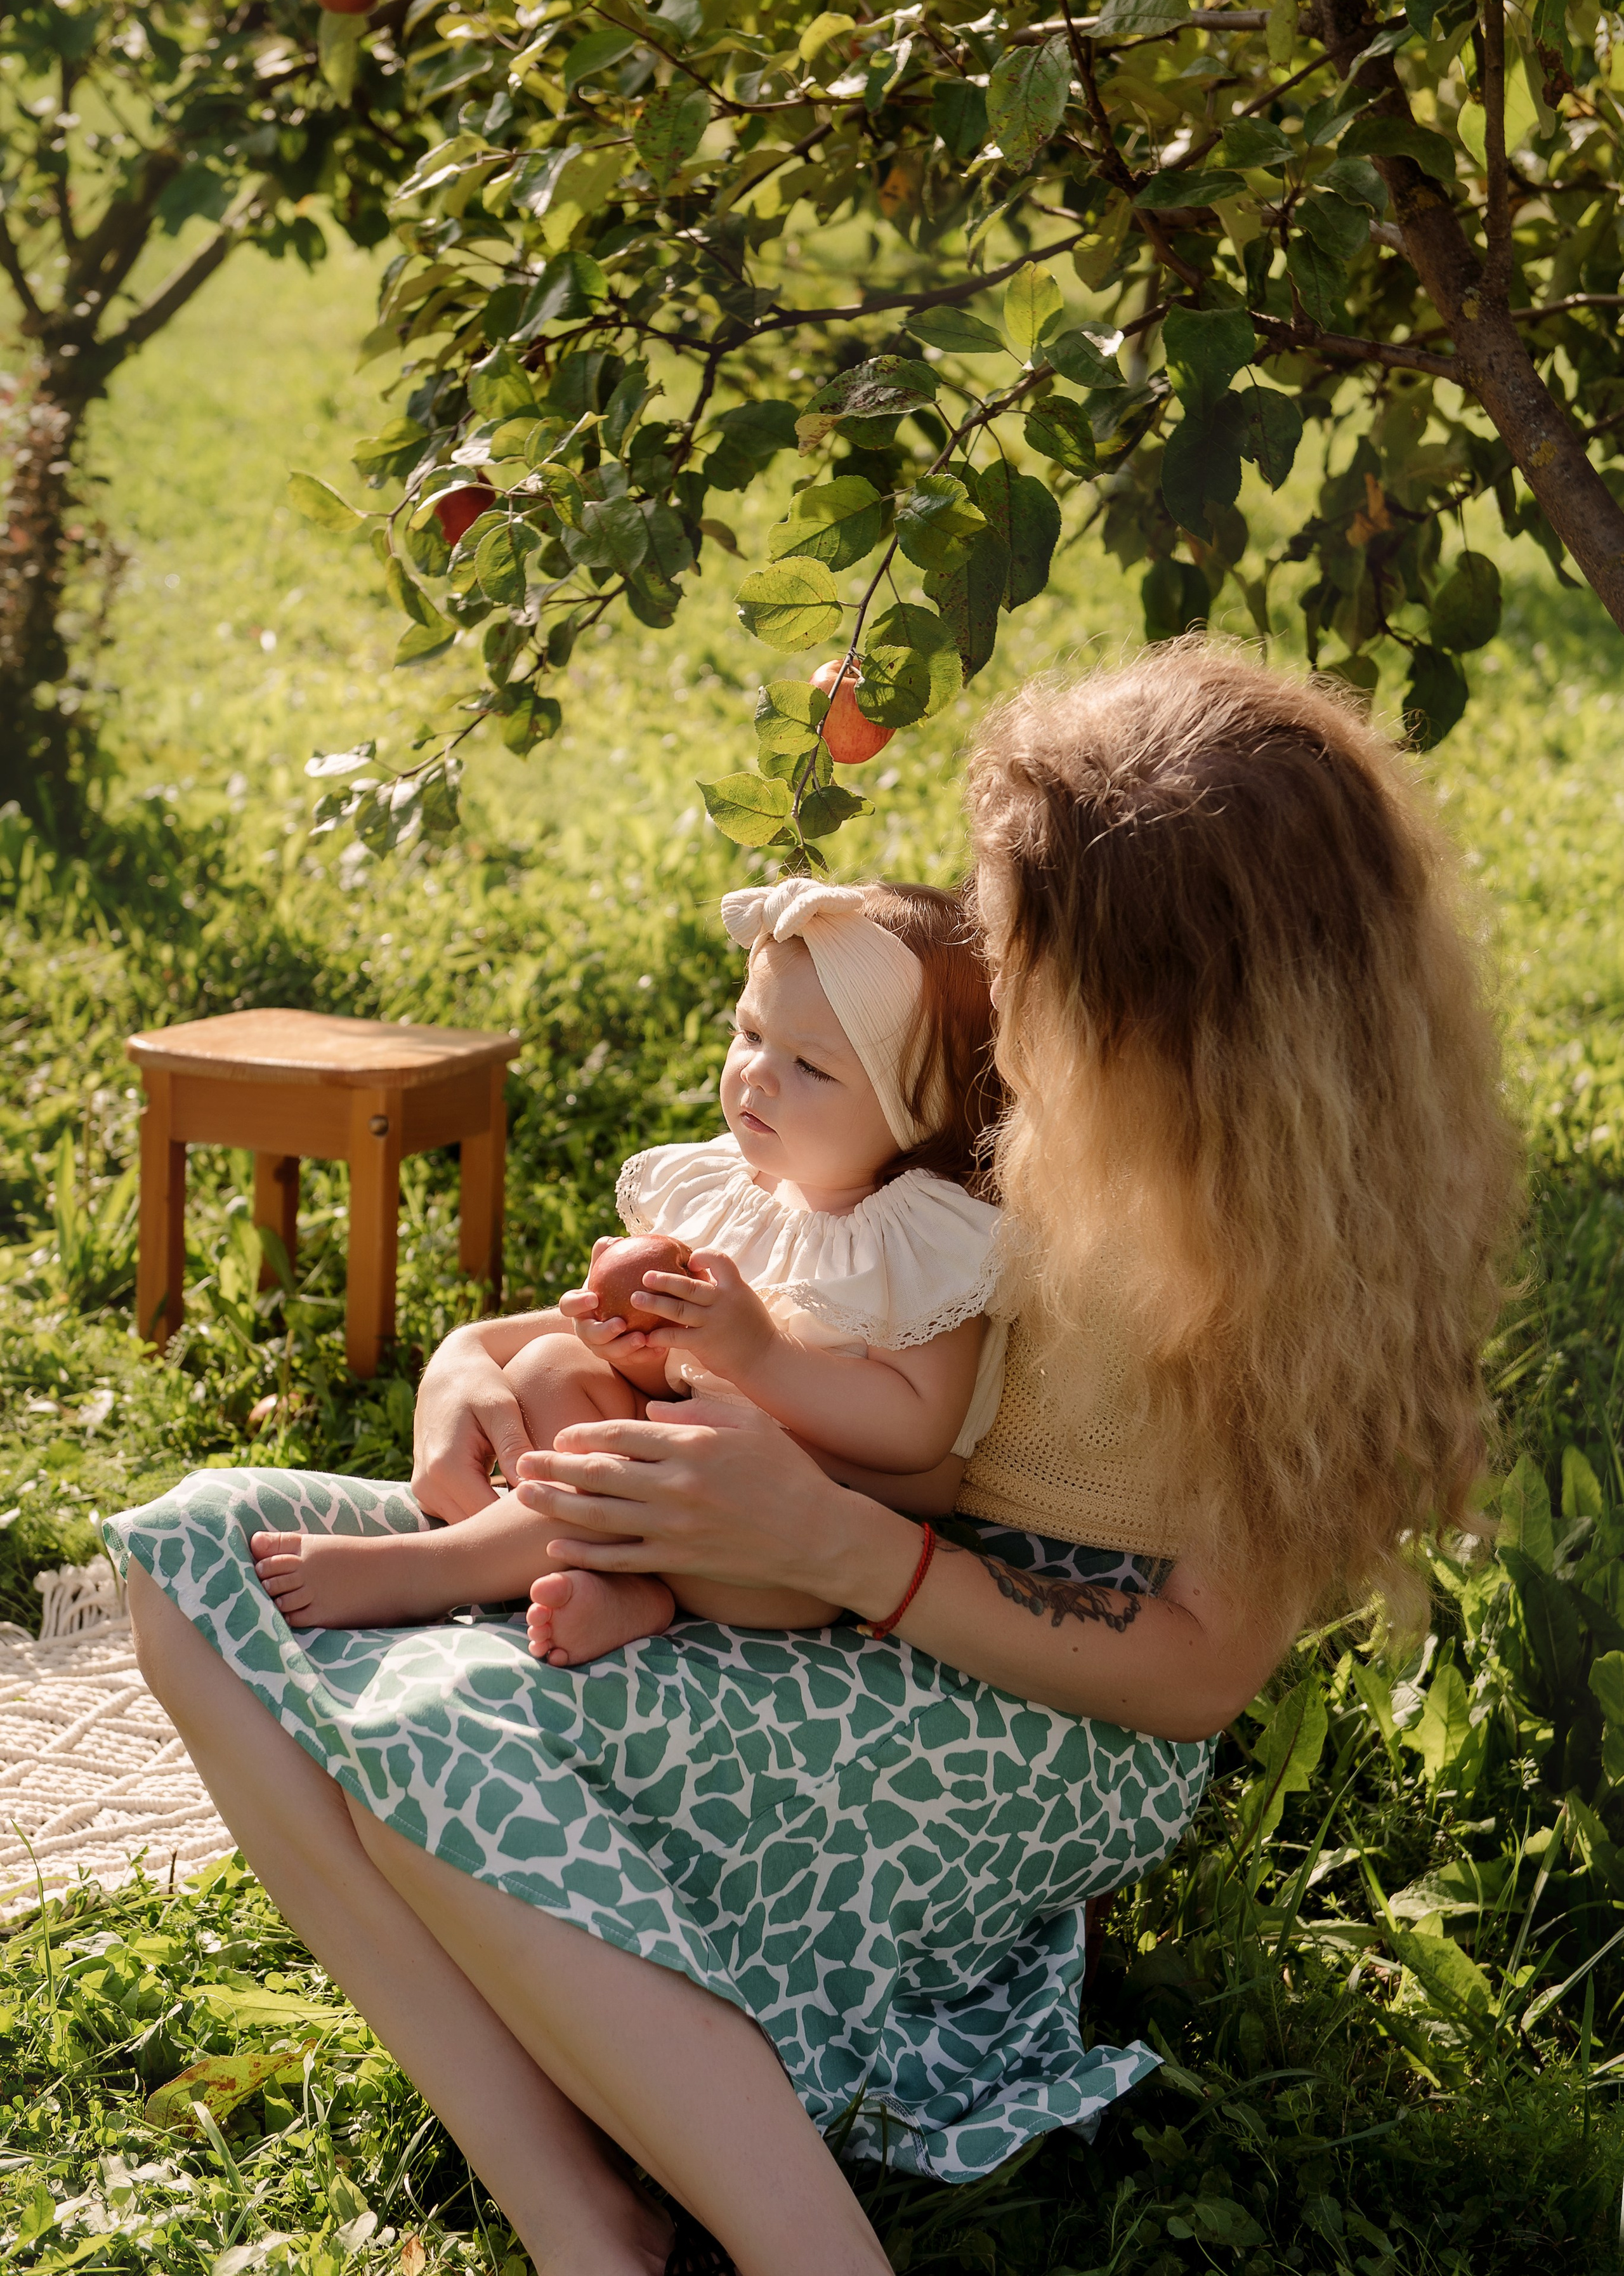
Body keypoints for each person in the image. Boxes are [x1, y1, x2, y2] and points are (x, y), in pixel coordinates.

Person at [114, 647, 1519, 2276]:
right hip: (803, 1560)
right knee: (192, 1553)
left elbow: (1196, 1674)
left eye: (1020, 938)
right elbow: (792, 1300)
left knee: (445, 1728)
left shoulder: (1275, 1248)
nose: (982, 970)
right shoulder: (1013, 1108)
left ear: (1172, 997)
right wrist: (481, 1354)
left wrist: (839, 1547)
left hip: (1030, 1711)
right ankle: (589, 2213)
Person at [246, 879, 1009, 1664]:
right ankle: (623, 1588)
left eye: (812, 1067)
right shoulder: (729, 1187)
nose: (757, 1075)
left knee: (653, 1459)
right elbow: (667, 1370)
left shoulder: (927, 1237)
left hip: (791, 1544)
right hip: (680, 1507)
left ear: (924, 1105)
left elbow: (920, 1438)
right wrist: (631, 1345)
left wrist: (756, 1356)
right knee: (550, 1367)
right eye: (750, 1034)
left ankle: (431, 1571)